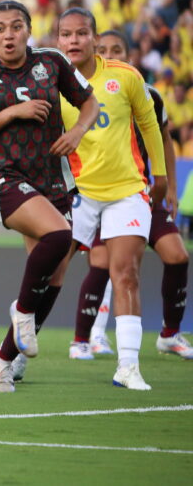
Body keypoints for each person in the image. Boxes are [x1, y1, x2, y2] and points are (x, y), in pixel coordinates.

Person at [0, 0, 99, 393]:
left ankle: (4, 358)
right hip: (4, 178)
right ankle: (23, 313)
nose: (8, 34)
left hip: (52, 178)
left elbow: (89, 102)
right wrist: (14, 111)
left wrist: (78, 131)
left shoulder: (52, 62)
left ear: (29, 30)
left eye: (16, 26)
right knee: (60, 236)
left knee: (55, 272)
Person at [52, 10, 167, 389]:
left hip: (126, 190)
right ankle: (13, 354)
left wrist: (161, 175)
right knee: (48, 271)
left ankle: (128, 366)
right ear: (58, 39)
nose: (73, 41)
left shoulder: (125, 76)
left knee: (126, 274)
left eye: (80, 33)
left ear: (93, 38)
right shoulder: (49, 78)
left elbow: (150, 124)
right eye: (65, 34)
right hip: (77, 192)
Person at [66, 30, 189, 361]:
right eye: (104, 48)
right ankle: (84, 338)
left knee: (177, 256)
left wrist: (169, 185)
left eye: (117, 49)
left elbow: (163, 139)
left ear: (129, 53)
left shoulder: (144, 92)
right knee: (103, 263)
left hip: (140, 192)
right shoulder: (76, 92)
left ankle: (170, 334)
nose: (110, 53)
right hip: (98, 192)